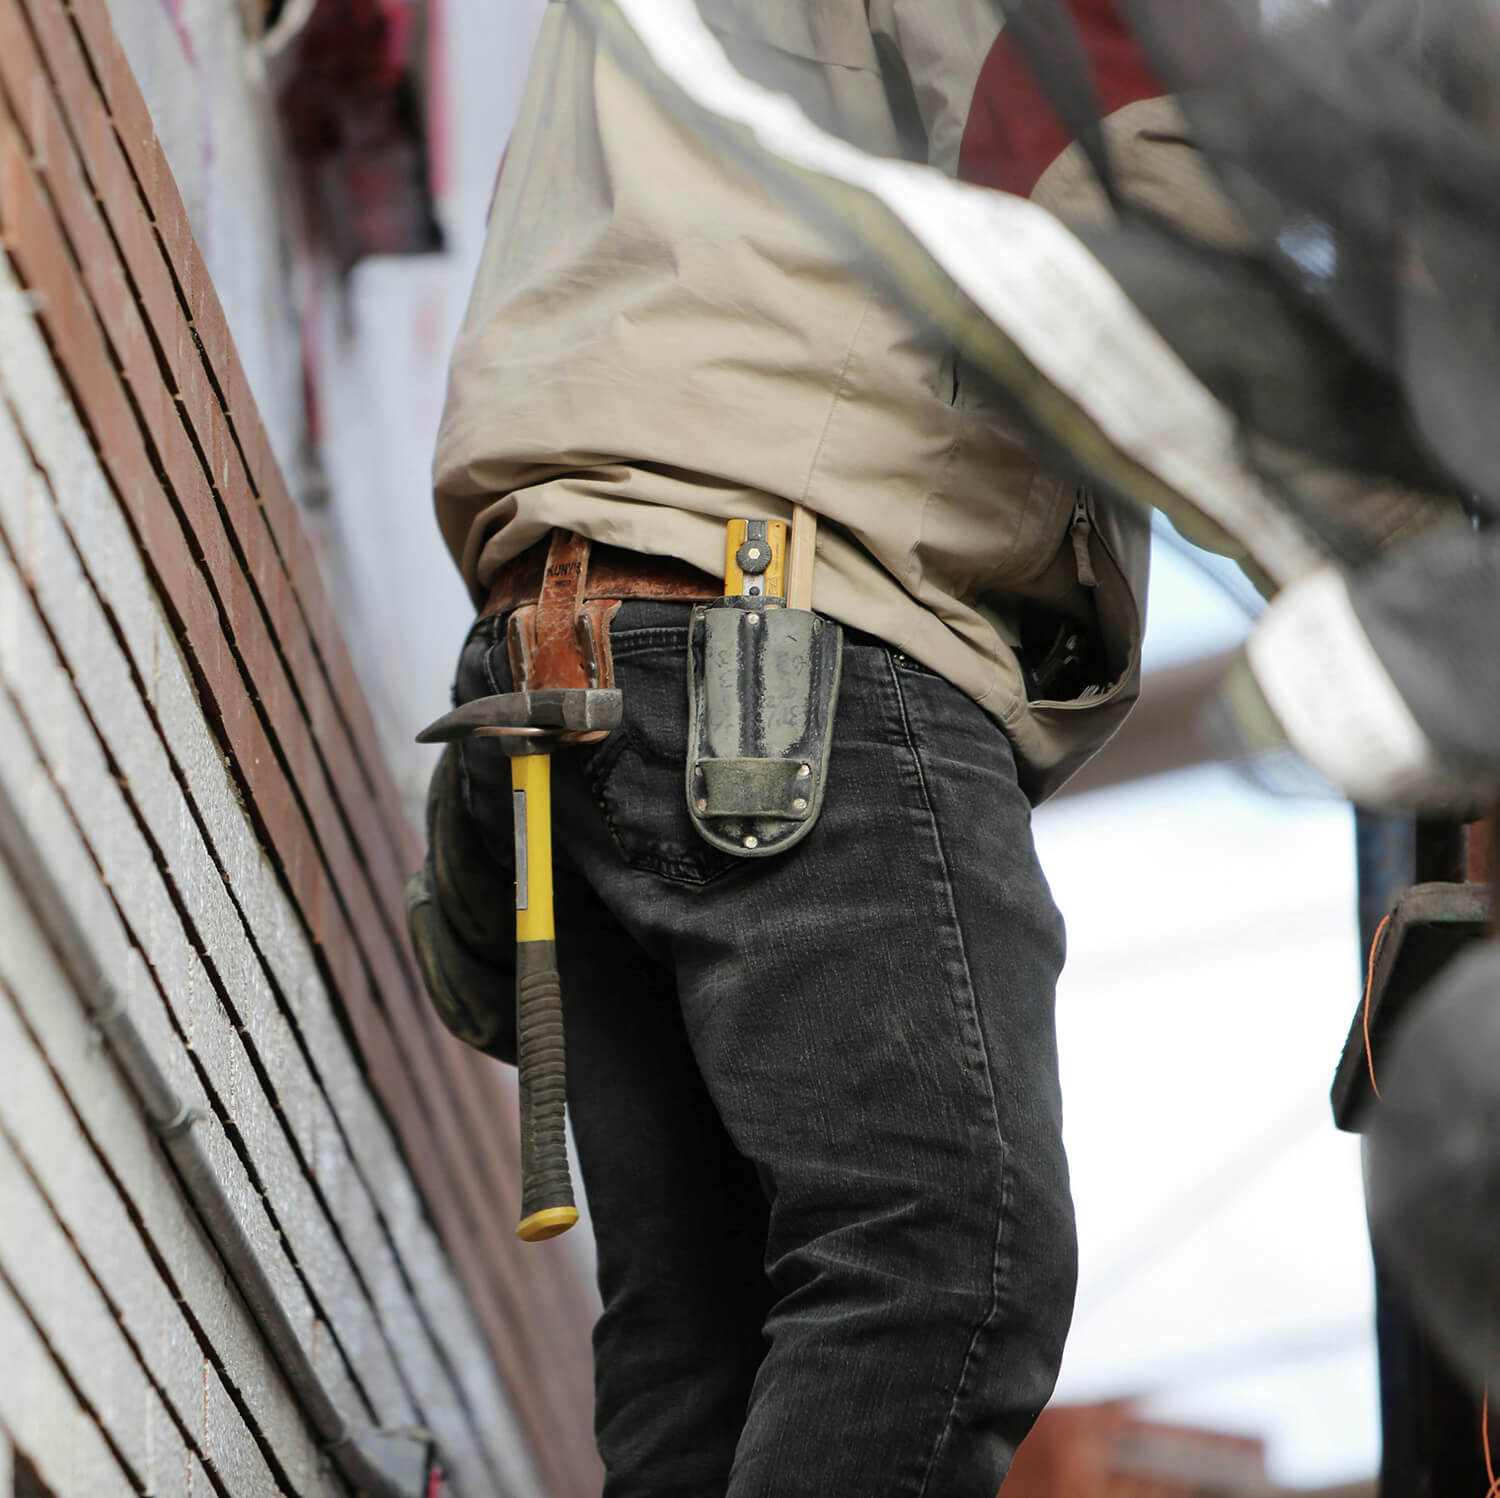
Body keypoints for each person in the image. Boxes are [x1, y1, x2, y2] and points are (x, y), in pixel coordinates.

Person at [419, 4, 1174, 1494]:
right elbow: (1154, 224)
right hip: (783, 624)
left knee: (706, 1356)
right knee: (953, 1259)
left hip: (586, 641)